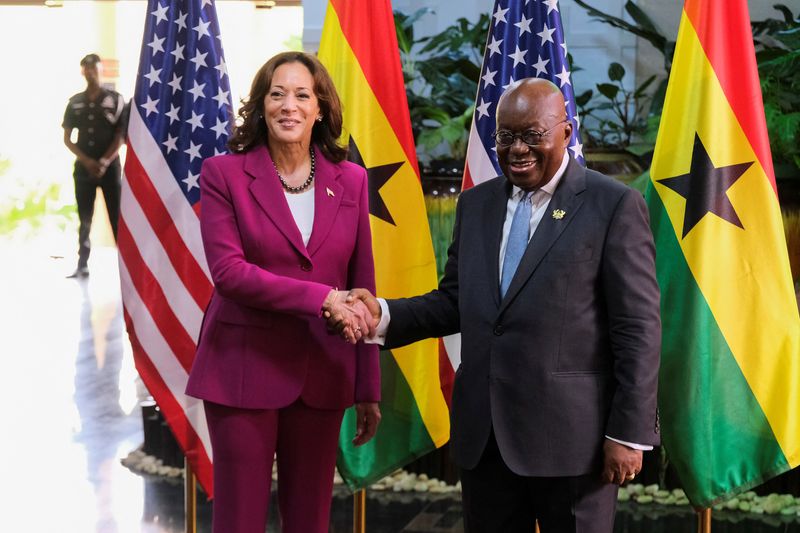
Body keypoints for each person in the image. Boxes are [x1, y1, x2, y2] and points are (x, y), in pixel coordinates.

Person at [341, 78, 661, 533]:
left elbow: (638, 329)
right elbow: (454, 301)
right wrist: (382, 315)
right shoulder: (476, 205)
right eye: (505, 136)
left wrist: (628, 433)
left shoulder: (614, 205)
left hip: (575, 445)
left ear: (566, 133)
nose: (517, 149)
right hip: (485, 439)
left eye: (533, 135)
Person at [185, 51, 381, 533]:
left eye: (301, 95)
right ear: (261, 106)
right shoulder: (223, 174)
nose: (288, 105)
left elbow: (363, 288)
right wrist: (321, 298)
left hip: (323, 369)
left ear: (320, 109)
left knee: (310, 519)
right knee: (239, 520)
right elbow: (228, 272)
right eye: (277, 94)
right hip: (242, 368)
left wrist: (367, 386)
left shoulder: (352, 179)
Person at [62, 53, 125, 278]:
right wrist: (88, 161)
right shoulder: (75, 102)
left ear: (100, 70)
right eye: (86, 69)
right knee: (84, 218)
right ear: (82, 72)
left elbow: (121, 135)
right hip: (84, 170)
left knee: (116, 216)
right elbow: (68, 138)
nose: (90, 73)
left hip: (110, 169)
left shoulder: (116, 100)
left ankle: (125, 267)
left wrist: (104, 161)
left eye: (94, 69)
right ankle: (82, 264)